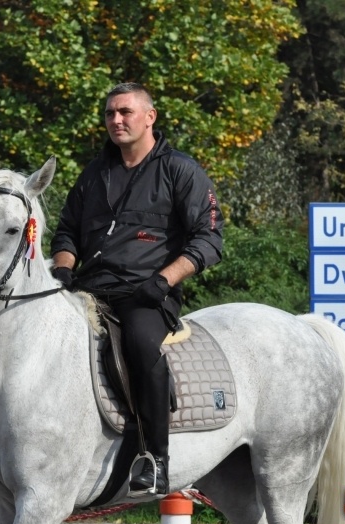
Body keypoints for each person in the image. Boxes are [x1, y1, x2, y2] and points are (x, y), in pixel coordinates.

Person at [50, 82, 223, 495]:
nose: (116, 120)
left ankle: (154, 458)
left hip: (146, 294)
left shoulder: (181, 170)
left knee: (142, 345)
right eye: (110, 113)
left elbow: (210, 240)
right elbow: (67, 232)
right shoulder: (94, 173)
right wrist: (61, 271)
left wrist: (163, 281)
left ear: (150, 117)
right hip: (87, 290)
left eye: (125, 112)